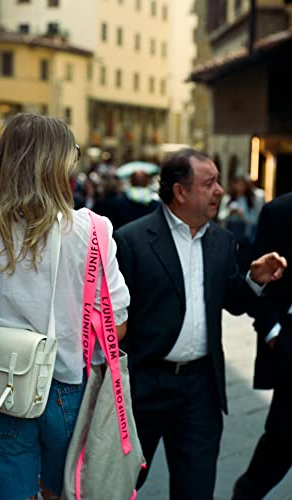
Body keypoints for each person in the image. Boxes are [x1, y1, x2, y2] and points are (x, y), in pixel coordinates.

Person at [0, 113, 129, 500]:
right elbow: (117, 327)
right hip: (68, 389)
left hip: (2, 389)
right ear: (60, 163)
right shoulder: (93, 231)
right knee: (60, 491)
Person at [113, 148, 286, 500]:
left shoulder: (222, 242)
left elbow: (234, 302)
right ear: (180, 191)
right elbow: (113, 318)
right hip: (144, 387)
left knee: (196, 490)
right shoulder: (131, 241)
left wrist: (254, 280)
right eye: (209, 183)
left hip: (200, 390)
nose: (220, 191)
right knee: (118, 487)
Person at [232, 192, 292, 500]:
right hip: (290, 344)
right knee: (282, 441)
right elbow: (256, 277)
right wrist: (273, 332)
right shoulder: (281, 212)